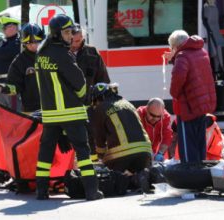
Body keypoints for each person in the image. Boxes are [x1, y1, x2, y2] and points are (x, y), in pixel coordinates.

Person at [34, 14, 103, 201]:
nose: (70, 36)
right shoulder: (63, 55)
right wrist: (86, 98)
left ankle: (41, 191)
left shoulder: (41, 54)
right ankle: (91, 191)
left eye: (71, 32)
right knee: (83, 152)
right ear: (57, 34)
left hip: (50, 114)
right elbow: (79, 83)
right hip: (71, 112)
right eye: (66, 32)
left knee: (45, 152)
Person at [164, 30, 216, 163]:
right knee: (199, 142)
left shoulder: (182, 56)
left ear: (175, 46)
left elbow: (177, 82)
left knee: (188, 145)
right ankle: (200, 170)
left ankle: (190, 172)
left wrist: (173, 93)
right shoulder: (201, 52)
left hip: (187, 106)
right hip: (201, 104)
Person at [91, 82, 153, 192]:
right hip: (145, 152)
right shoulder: (127, 103)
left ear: (99, 98)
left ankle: (128, 180)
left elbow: (99, 138)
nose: (94, 104)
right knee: (136, 170)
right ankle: (141, 176)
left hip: (122, 155)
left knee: (114, 178)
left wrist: (100, 158)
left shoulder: (101, 108)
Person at [70, 23, 110, 162]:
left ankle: (93, 165)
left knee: (91, 138)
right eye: (75, 40)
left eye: (81, 39)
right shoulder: (62, 54)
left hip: (89, 105)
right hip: (69, 106)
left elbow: (103, 79)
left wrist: (103, 100)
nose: (78, 42)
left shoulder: (92, 53)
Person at [0, 23, 45, 113]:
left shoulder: (50, 56)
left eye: (36, 41)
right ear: (23, 43)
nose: (33, 45)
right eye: (29, 43)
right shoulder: (19, 61)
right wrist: (3, 88)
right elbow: (15, 86)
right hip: (31, 110)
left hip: (52, 107)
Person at [136, 98, 173, 162]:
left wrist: (160, 153)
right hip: (139, 151)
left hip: (153, 152)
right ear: (146, 109)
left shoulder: (166, 117)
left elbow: (167, 138)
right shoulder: (138, 114)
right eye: (152, 115)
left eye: (158, 116)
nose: (155, 119)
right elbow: (135, 137)